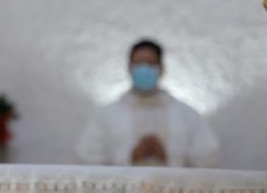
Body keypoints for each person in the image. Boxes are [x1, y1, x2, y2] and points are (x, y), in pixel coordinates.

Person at [76, 39, 220, 167]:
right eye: (139, 63)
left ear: (161, 69)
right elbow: (87, 159)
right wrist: (130, 157)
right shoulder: (106, 115)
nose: (144, 69)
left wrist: (168, 156)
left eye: (150, 63)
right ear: (129, 68)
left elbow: (208, 159)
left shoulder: (186, 115)